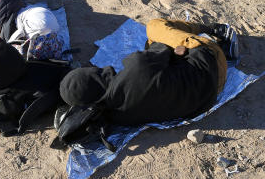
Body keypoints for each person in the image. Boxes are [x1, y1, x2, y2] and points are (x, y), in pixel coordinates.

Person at [54, 19, 238, 140]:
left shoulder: (115, 117)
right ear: (92, 75)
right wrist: (155, 50)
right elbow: (163, 47)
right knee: (155, 27)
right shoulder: (137, 67)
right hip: (212, 61)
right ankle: (215, 31)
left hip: (208, 97)